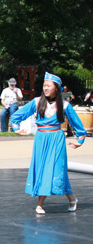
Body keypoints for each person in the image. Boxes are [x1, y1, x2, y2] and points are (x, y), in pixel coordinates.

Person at [11, 72, 86, 215]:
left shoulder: (65, 105)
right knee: (42, 168)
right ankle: (71, 198)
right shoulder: (37, 102)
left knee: (57, 169)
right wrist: (16, 127)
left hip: (56, 139)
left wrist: (80, 140)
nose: (45, 88)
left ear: (56, 88)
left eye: (48, 86)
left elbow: (77, 124)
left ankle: (40, 204)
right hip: (41, 139)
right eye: (44, 86)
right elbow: (17, 115)